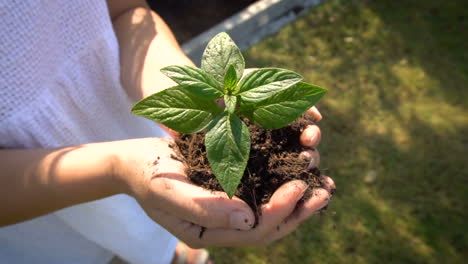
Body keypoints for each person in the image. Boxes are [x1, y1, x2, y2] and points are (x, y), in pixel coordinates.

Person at [0, 1, 335, 263]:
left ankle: (170, 256)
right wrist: (118, 168)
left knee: (152, 232)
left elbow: (125, 13)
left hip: (128, 125)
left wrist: (197, 95)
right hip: (29, 209)